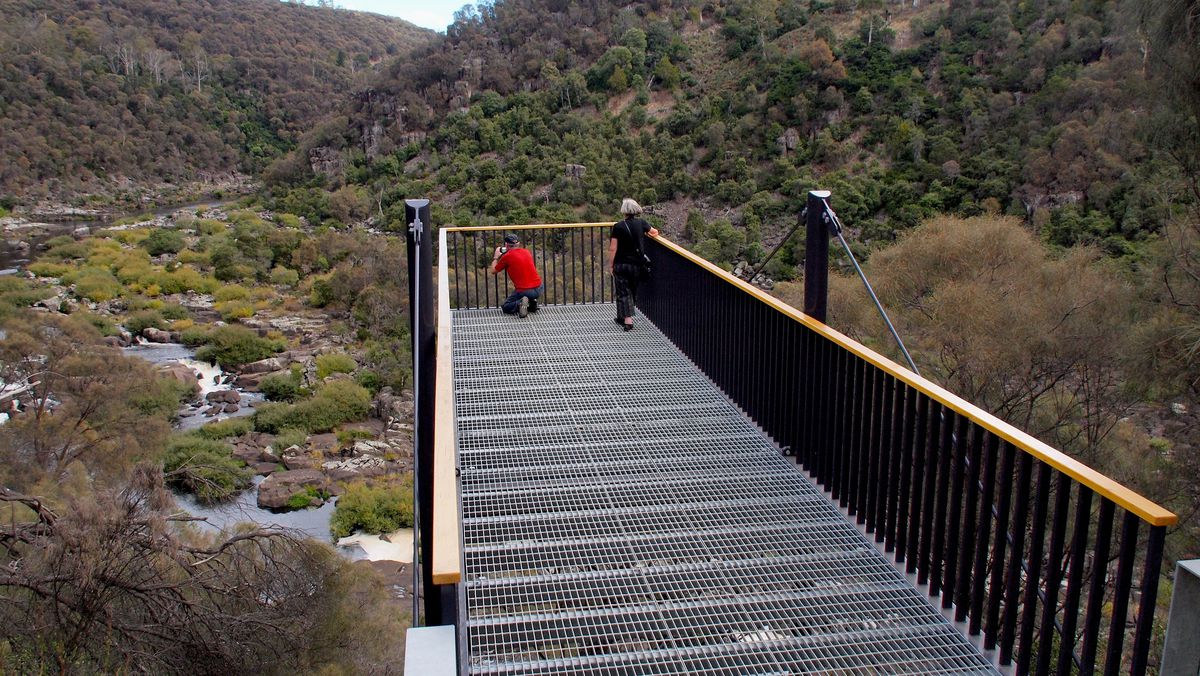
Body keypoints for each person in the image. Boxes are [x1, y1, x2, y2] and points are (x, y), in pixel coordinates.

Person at [607, 198, 659, 331]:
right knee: (632, 290)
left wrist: (611, 265)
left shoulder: (618, 226)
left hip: (621, 264)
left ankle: (627, 320)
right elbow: (654, 232)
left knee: (622, 291)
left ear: (624, 210)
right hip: (636, 264)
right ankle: (622, 316)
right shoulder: (641, 223)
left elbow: (613, 248)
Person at [490, 233, 542, 318]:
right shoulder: (526, 252)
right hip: (539, 287)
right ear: (518, 243)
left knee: (506, 306)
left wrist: (496, 257)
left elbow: (493, 271)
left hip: (525, 290)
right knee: (528, 294)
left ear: (506, 245)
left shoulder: (507, 256)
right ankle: (532, 304)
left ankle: (521, 303)